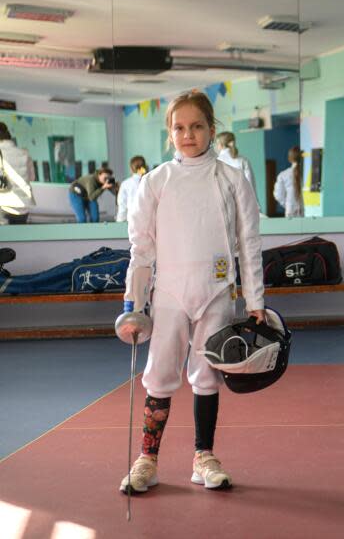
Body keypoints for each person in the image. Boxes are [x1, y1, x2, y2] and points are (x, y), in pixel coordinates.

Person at [119, 90, 265, 494]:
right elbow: (141, 249)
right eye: (180, 127)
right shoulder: (156, 182)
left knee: (207, 376)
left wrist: (256, 302)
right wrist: (132, 305)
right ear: (170, 134)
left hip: (217, 292)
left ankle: (204, 456)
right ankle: (147, 459)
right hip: (169, 294)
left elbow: (248, 244)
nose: (188, 134)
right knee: (160, 376)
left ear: (211, 129)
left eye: (196, 126)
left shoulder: (232, 180)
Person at [0, 121, 36, 225]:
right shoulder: (24, 153)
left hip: (3, 205)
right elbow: (32, 177)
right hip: (22, 206)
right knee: (19, 238)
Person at [215, 131, 257, 198]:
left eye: (217, 143)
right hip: (243, 200)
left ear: (221, 144)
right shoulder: (243, 160)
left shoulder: (215, 162)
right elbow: (250, 184)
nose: (217, 146)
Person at [272, 145, 304, 217]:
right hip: (305, 213)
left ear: (289, 159)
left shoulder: (283, 175)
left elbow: (278, 195)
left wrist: (287, 204)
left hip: (290, 212)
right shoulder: (307, 173)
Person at [115, 155, 147, 223]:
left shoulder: (126, 184)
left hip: (132, 220)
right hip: (149, 220)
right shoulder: (151, 181)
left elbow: (122, 205)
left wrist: (119, 221)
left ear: (131, 168)